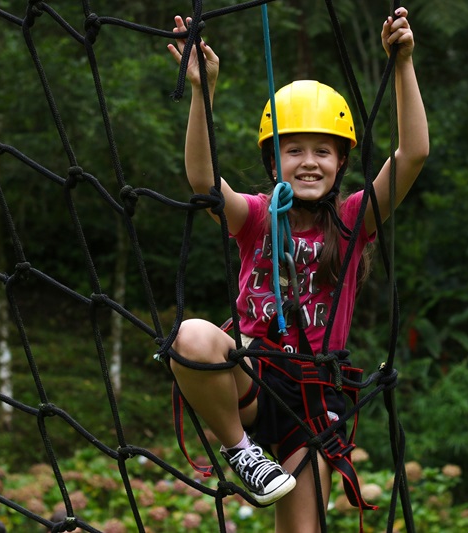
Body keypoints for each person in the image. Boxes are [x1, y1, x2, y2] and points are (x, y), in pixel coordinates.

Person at [165, 6, 428, 532]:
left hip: (312, 395)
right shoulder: (257, 218)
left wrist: (402, 65)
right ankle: (242, 453)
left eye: (323, 151)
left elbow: (413, 153)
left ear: (341, 162)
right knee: (190, 336)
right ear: (272, 162)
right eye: (294, 150)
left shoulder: (355, 221)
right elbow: (202, 180)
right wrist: (202, 92)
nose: (309, 161)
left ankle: (267, 461)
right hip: (254, 381)